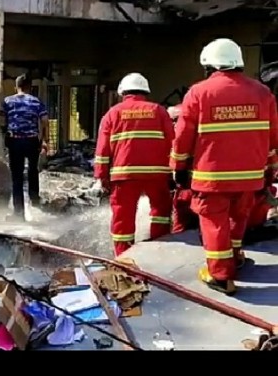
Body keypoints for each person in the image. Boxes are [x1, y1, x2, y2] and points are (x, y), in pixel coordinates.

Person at [171, 38, 278, 295]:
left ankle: (220, 276)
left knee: (213, 221)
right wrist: (271, 169)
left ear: (210, 65)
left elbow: (184, 136)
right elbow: (273, 136)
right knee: (238, 216)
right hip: (251, 176)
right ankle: (235, 257)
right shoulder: (263, 93)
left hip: (212, 177)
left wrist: (179, 167)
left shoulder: (199, 93)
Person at [94, 72, 174, 256]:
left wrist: (101, 176)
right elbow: (172, 141)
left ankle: (124, 257)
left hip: (124, 174)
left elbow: (102, 149)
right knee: (161, 211)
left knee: (123, 215)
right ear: (145, 91)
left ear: (123, 92)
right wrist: (175, 171)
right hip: (157, 173)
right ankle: (158, 248)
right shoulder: (159, 111)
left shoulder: (112, 114)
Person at [1, 75, 49, 221]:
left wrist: (4, 138)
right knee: (33, 171)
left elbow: (3, 122)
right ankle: (35, 203)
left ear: (16, 87)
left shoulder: (7, 102)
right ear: (30, 87)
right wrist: (45, 140)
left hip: (14, 141)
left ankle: (18, 213)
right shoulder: (37, 102)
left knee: (17, 177)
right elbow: (45, 122)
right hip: (32, 141)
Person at [167, 105, 198, 234]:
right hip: (186, 187)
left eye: (176, 120)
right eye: (173, 120)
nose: (174, 124)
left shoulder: (183, 136)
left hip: (190, 187)